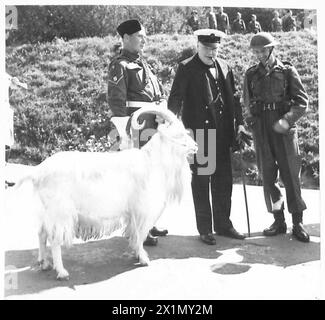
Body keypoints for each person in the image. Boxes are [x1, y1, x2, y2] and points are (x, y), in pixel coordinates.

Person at [168, 29, 248, 245]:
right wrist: (173, 126)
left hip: (224, 134)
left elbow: (235, 98)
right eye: (207, 49)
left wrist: (239, 124)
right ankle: (205, 228)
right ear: (198, 46)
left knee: (223, 182)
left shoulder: (224, 66)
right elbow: (175, 99)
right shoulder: (187, 68)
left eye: (215, 49)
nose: (211, 53)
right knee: (202, 183)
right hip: (200, 135)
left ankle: (224, 224)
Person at [243, 32, 310, 242]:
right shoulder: (251, 74)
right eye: (256, 52)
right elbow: (246, 102)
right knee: (269, 177)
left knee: (291, 176)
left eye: (263, 50)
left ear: (272, 49)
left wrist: (287, 120)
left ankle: (297, 222)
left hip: (283, 127)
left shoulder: (288, 71)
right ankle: (279, 220)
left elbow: (302, 102)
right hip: (262, 128)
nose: (259, 55)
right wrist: (251, 123)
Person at [107, 19, 168, 246]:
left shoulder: (144, 64)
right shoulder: (120, 65)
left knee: (150, 180)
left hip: (152, 129)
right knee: (137, 182)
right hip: (136, 130)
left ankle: (148, 222)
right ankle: (137, 229)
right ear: (125, 38)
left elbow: (159, 92)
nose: (144, 39)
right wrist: (124, 136)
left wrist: (162, 109)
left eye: (144, 35)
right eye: (139, 36)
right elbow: (117, 102)